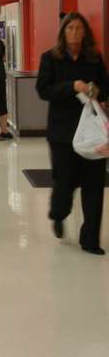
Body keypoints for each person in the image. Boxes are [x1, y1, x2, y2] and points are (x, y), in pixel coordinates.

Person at [36, 13, 109, 255]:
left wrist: (97, 91)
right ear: (63, 32)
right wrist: (72, 86)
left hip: (92, 133)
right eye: (70, 28)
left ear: (85, 32)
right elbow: (43, 90)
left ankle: (90, 240)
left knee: (94, 185)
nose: (75, 32)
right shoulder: (50, 58)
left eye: (79, 28)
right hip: (62, 132)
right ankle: (59, 214)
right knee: (64, 182)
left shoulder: (94, 59)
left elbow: (105, 87)